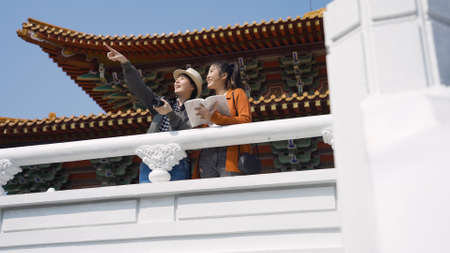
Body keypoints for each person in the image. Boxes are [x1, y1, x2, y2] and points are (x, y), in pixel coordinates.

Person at [105, 44, 202, 183]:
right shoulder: (161, 102)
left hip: (177, 161)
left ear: (192, 86)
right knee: (147, 201)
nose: (177, 81)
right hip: (151, 159)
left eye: (182, 78)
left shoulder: (195, 109)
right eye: (176, 79)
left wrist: (170, 113)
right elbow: (139, 88)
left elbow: (190, 135)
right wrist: (125, 63)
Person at [194, 62, 252, 178]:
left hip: (229, 151)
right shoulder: (208, 102)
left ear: (224, 75)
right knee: (208, 193)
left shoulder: (237, 94)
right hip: (207, 152)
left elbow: (245, 120)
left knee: (230, 191)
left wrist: (214, 117)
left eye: (211, 71)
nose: (207, 76)